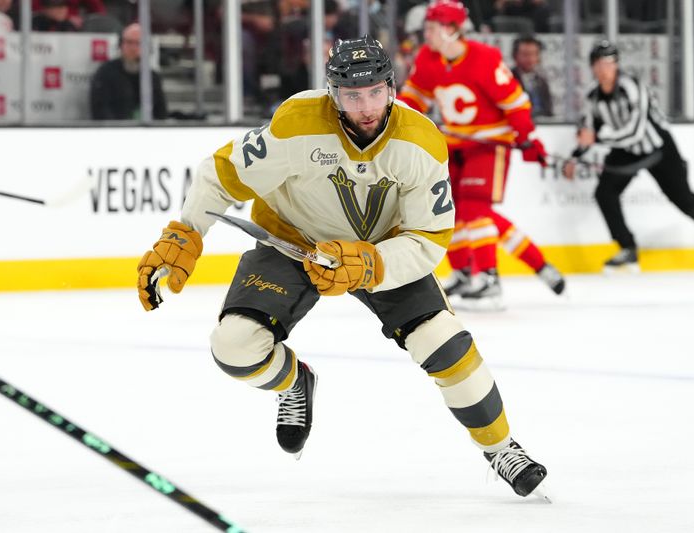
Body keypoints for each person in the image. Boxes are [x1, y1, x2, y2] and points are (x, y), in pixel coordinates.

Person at [136, 35, 548, 498]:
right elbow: (219, 174)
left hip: (381, 249)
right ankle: (295, 383)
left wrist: (371, 264)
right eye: (352, 94)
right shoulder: (296, 124)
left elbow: (429, 240)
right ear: (333, 93)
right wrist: (186, 232)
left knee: (445, 343)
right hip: (294, 240)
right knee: (233, 347)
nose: (366, 105)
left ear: (392, 88)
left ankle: (501, 448)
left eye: (375, 91)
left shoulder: (421, 143)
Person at [398, 0, 565, 310]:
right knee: (452, 210)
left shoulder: (485, 58)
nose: (427, 34)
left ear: (451, 30)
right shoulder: (427, 58)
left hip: (489, 145)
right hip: (453, 144)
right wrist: (396, 119)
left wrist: (527, 137)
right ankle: (465, 272)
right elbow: (414, 98)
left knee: (475, 207)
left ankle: (489, 278)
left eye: (432, 28)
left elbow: (515, 103)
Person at [562, 41, 694, 272]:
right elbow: (588, 131)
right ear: (592, 67)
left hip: (658, 148)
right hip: (624, 151)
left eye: (609, 63)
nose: (604, 69)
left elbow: (635, 131)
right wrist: (574, 158)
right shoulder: (593, 98)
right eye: (599, 64)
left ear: (616, 65)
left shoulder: (633, 87)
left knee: (680, 196)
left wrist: (598, 140)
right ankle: (627, 248)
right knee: (604, 193)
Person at [90, 23, 168, 120]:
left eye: (138, 43)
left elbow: (161, 114)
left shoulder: (152, 77)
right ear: (121, 44)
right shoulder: (105, 73)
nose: (133, 48)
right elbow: (100, 111)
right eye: (129, 42)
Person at [511, 34, 553, 118]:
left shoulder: (541, 81)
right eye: (525, 54)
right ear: (515, 56)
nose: (530, 59)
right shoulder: (509, 79)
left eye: (533, 54)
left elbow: (549, 110)